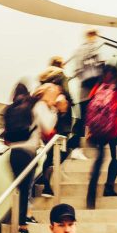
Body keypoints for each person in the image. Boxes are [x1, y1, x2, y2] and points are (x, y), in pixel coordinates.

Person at [7, 83, 66, 233]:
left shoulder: (12, 109)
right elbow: (47, 128)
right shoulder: (36, 106)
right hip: (28, 152)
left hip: (13, 153)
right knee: (25, 189)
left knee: (22, 189)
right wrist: (55, 111)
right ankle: (22, 226)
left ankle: (26, 215)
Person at [86, 64, 117, 208]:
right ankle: (108, 187)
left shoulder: (98, 87)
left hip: (98, 132)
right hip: (115, 130)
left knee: (99, 162)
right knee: (116, 157)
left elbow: (89, 106)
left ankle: (91, 195)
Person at [37, 57, 74, 197]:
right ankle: (46, 182)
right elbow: (68, 96)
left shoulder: (44, 80)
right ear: (61, 65)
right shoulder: (61, 76)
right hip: (61, 121)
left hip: (48, 123)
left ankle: (44, 180)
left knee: (50, 153)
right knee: (62, 152)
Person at [67, 28, 104, 160]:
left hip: (90, 92)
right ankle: (76, 147)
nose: (94, 38)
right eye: (93, 35)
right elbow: (79, 70)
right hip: (88, 92)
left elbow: (78, 71)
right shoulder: (87, 50)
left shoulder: (94, 50)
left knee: (87, 119)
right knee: (84, 119)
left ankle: (81, 146)